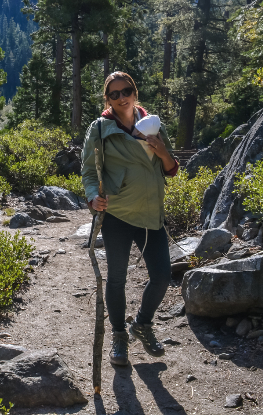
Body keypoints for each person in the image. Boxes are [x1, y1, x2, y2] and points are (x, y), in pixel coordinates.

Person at [81, 71, 179, 367]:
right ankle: (119, 335)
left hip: (151, 212)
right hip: (117, 214)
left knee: (162, 276)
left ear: (135, 92)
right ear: (107, 99)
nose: (121, 97)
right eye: (114, 93)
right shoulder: (100, 129)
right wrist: (91, 197)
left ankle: (142, 324)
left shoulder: (153, 124)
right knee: (117, 279)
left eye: (126, 91)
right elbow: (88, 171)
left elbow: (171, 168)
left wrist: (162, 151)